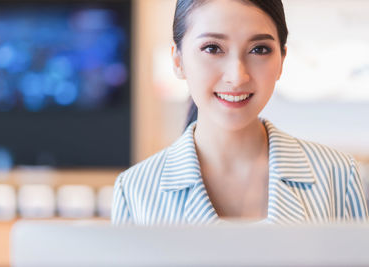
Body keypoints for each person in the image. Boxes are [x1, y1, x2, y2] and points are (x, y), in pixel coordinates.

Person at [112, 0, 368, 225]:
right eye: (212, 48)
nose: (237, 77)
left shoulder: (338, 176)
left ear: (282, 61)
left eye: (259, 49)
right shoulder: (135, 190)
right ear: (178, 61)